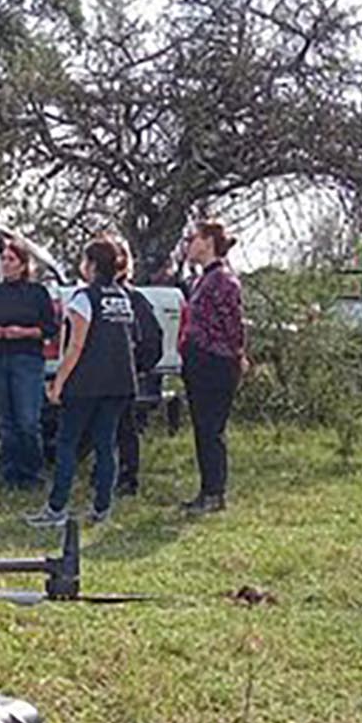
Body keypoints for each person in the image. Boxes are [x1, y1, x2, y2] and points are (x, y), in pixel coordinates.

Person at [26, 235, 139, 527]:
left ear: (90, 265)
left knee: (67, 444)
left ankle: (56, 508)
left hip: (86, 382)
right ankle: (102, 507)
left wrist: (59, 383)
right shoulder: (123, 298)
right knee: (105, 444)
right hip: (119, 382)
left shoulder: (84, 298)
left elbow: (76, 346)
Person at [176, 219, 248, 515]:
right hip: (200, 361)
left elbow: (234, 325)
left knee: (210, 429)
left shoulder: (223, 280)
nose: (189, 245)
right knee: (202, 428)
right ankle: (207, 490)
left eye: (193, 239)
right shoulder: (202, 279)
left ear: (207, 241)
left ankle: (214, 493)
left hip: (216, 362)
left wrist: (237, 355)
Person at [0, 236, 57, 490]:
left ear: (23, 265)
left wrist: (22, 332)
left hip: (26, 359)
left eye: (11, 259)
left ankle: (32, 472)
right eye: (3, 259)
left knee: (27, 420)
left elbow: (49, 328)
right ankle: (11, 473)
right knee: (6, 421)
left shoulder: (37, 293)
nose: (5, 264)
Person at [113, 283, 166, 496]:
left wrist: (139, 366)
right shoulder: (87, 296)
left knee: (125, 426)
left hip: (123, 375)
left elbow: (152, 340)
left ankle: (127, 479)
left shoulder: (134, 300)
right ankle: (103, 474)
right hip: (94, 376)